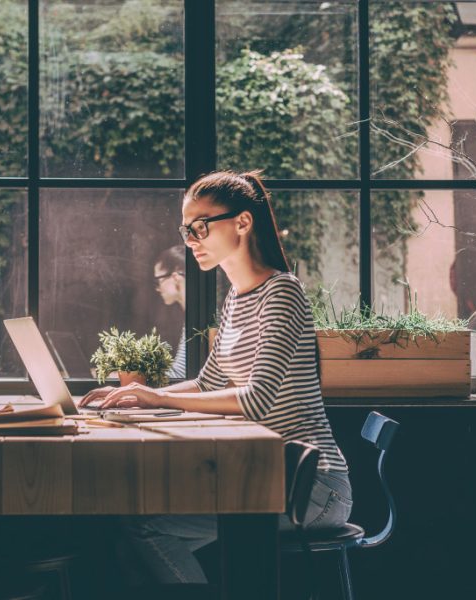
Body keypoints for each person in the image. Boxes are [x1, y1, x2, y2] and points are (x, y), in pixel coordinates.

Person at [80, 170, 351, 584]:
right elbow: (209, 383)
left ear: (242, 223)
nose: (191, 240)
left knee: (146, 527)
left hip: (313, 487)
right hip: (265, 475)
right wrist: (138, 394)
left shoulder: (283, 292)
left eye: (200, 227)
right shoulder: (235, 300)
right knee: (129, 527)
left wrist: (160, 400)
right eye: (186, 229)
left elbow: (256, 399)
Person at [153, 245, 186, 379]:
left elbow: (181, 375)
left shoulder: (202, 319)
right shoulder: (192, 318)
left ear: (175, 277)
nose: (158, 289)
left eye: (158, 281)